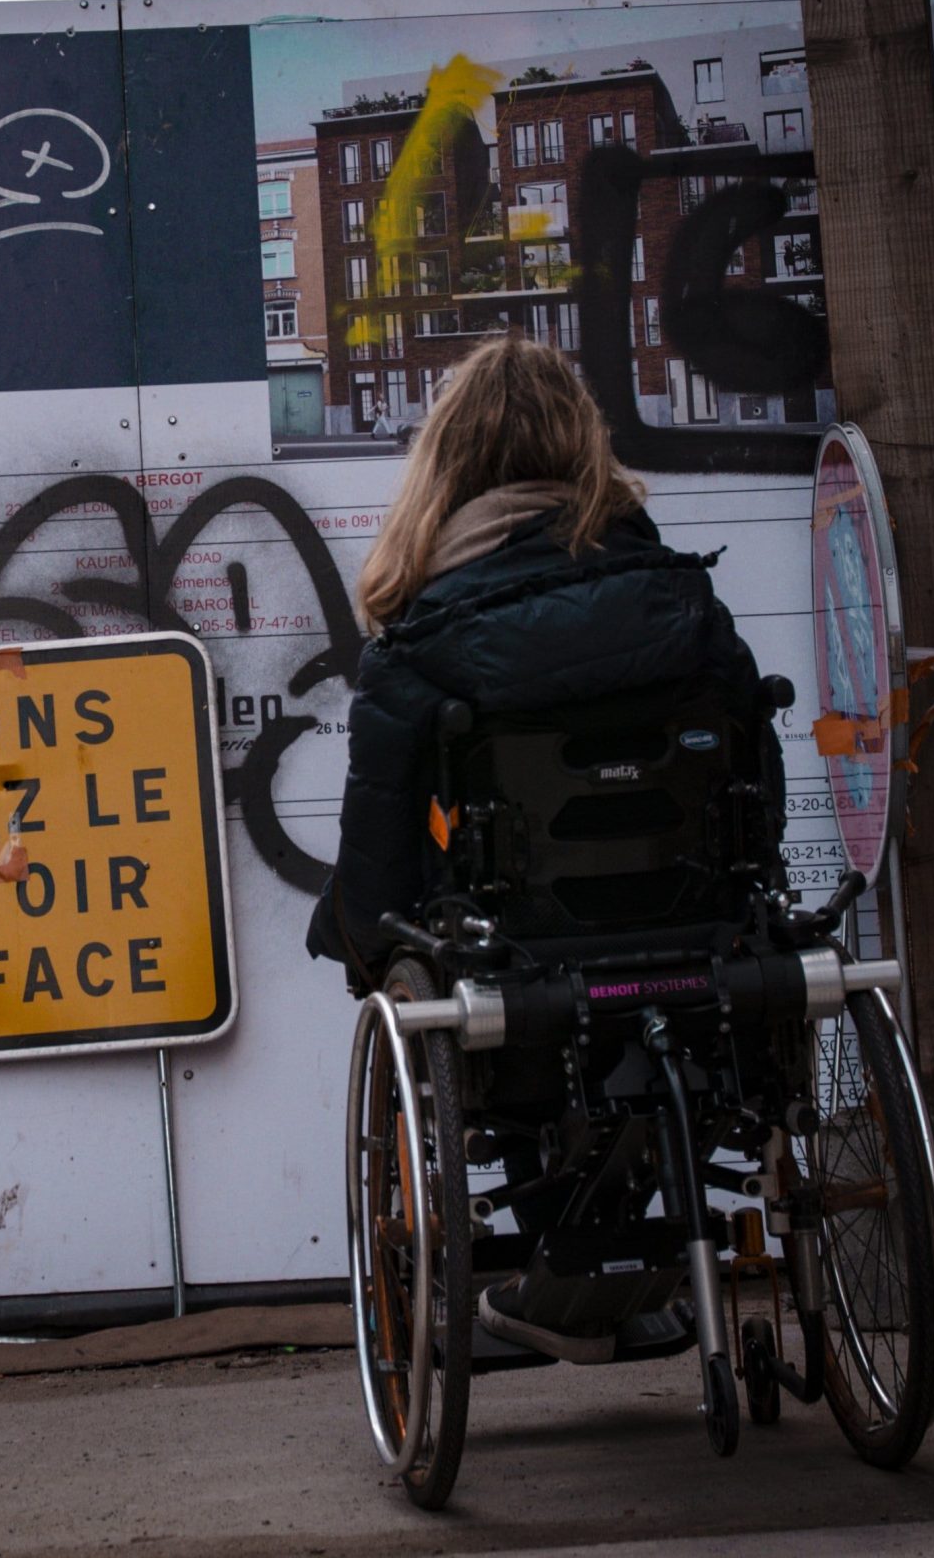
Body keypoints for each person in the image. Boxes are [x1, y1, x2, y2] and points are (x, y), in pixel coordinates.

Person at [303, 333, 779, 1363]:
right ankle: (640, 1225)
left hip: (524, 969)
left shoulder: (417, 645)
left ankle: (560, 1255)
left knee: (447, 963)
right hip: (691, 926)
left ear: (446, 462)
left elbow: (379, 858)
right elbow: (755, 784)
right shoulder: (682, 600)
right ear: (582, 449)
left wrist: (359, 950)